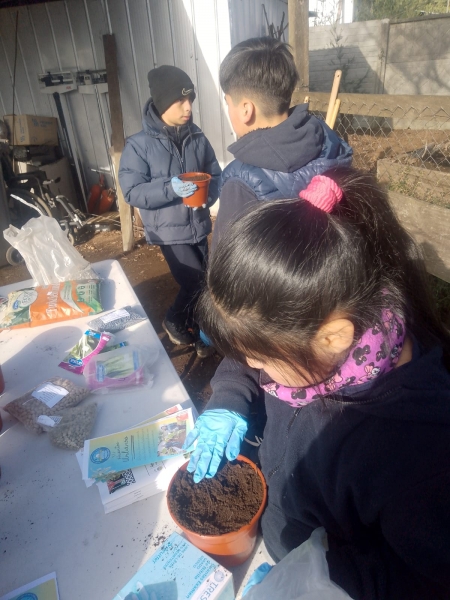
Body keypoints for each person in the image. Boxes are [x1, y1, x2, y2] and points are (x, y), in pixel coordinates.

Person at [184, 168, 450, 599]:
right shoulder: (314, 336)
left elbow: (425, 580)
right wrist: (230, 398)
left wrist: (318, 577)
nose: (250, 363)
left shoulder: (415, 449)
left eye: (262, 355)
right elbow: (250, 354)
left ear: (333, 337)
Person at [212, 36, 352, 250]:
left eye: (228, 102)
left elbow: (225, 270)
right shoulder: (331, 143)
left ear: (246, 110)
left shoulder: (240, 184)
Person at [119, 65, 221, 357]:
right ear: (163, 103)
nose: (188, 108)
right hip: (168, 230)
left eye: (191, 100)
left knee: (203, 281)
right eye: (180, 101)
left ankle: (184, 322)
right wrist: (170, 187)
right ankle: (187, 327)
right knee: (197, 283)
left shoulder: (197, 137)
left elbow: (214, 173)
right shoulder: (138, 146)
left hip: (198, 224)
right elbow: (132, 191)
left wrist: (209, 194)